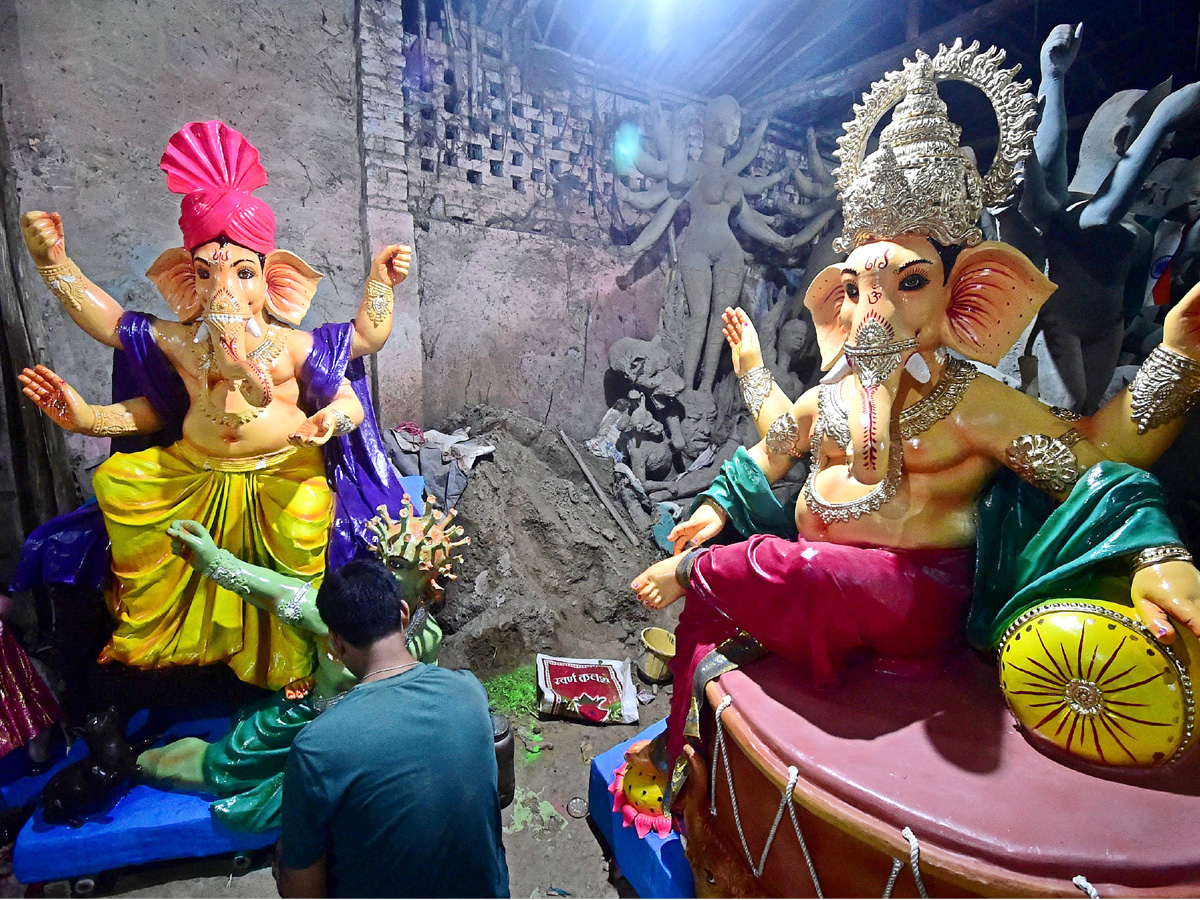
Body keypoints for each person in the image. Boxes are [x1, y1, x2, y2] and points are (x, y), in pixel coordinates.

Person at [275, 559, 509, 899]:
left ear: (336, 644)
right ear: (403, 613)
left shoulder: (316, 747)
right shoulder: (468, 690)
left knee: (288, 855)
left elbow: (304, 894)